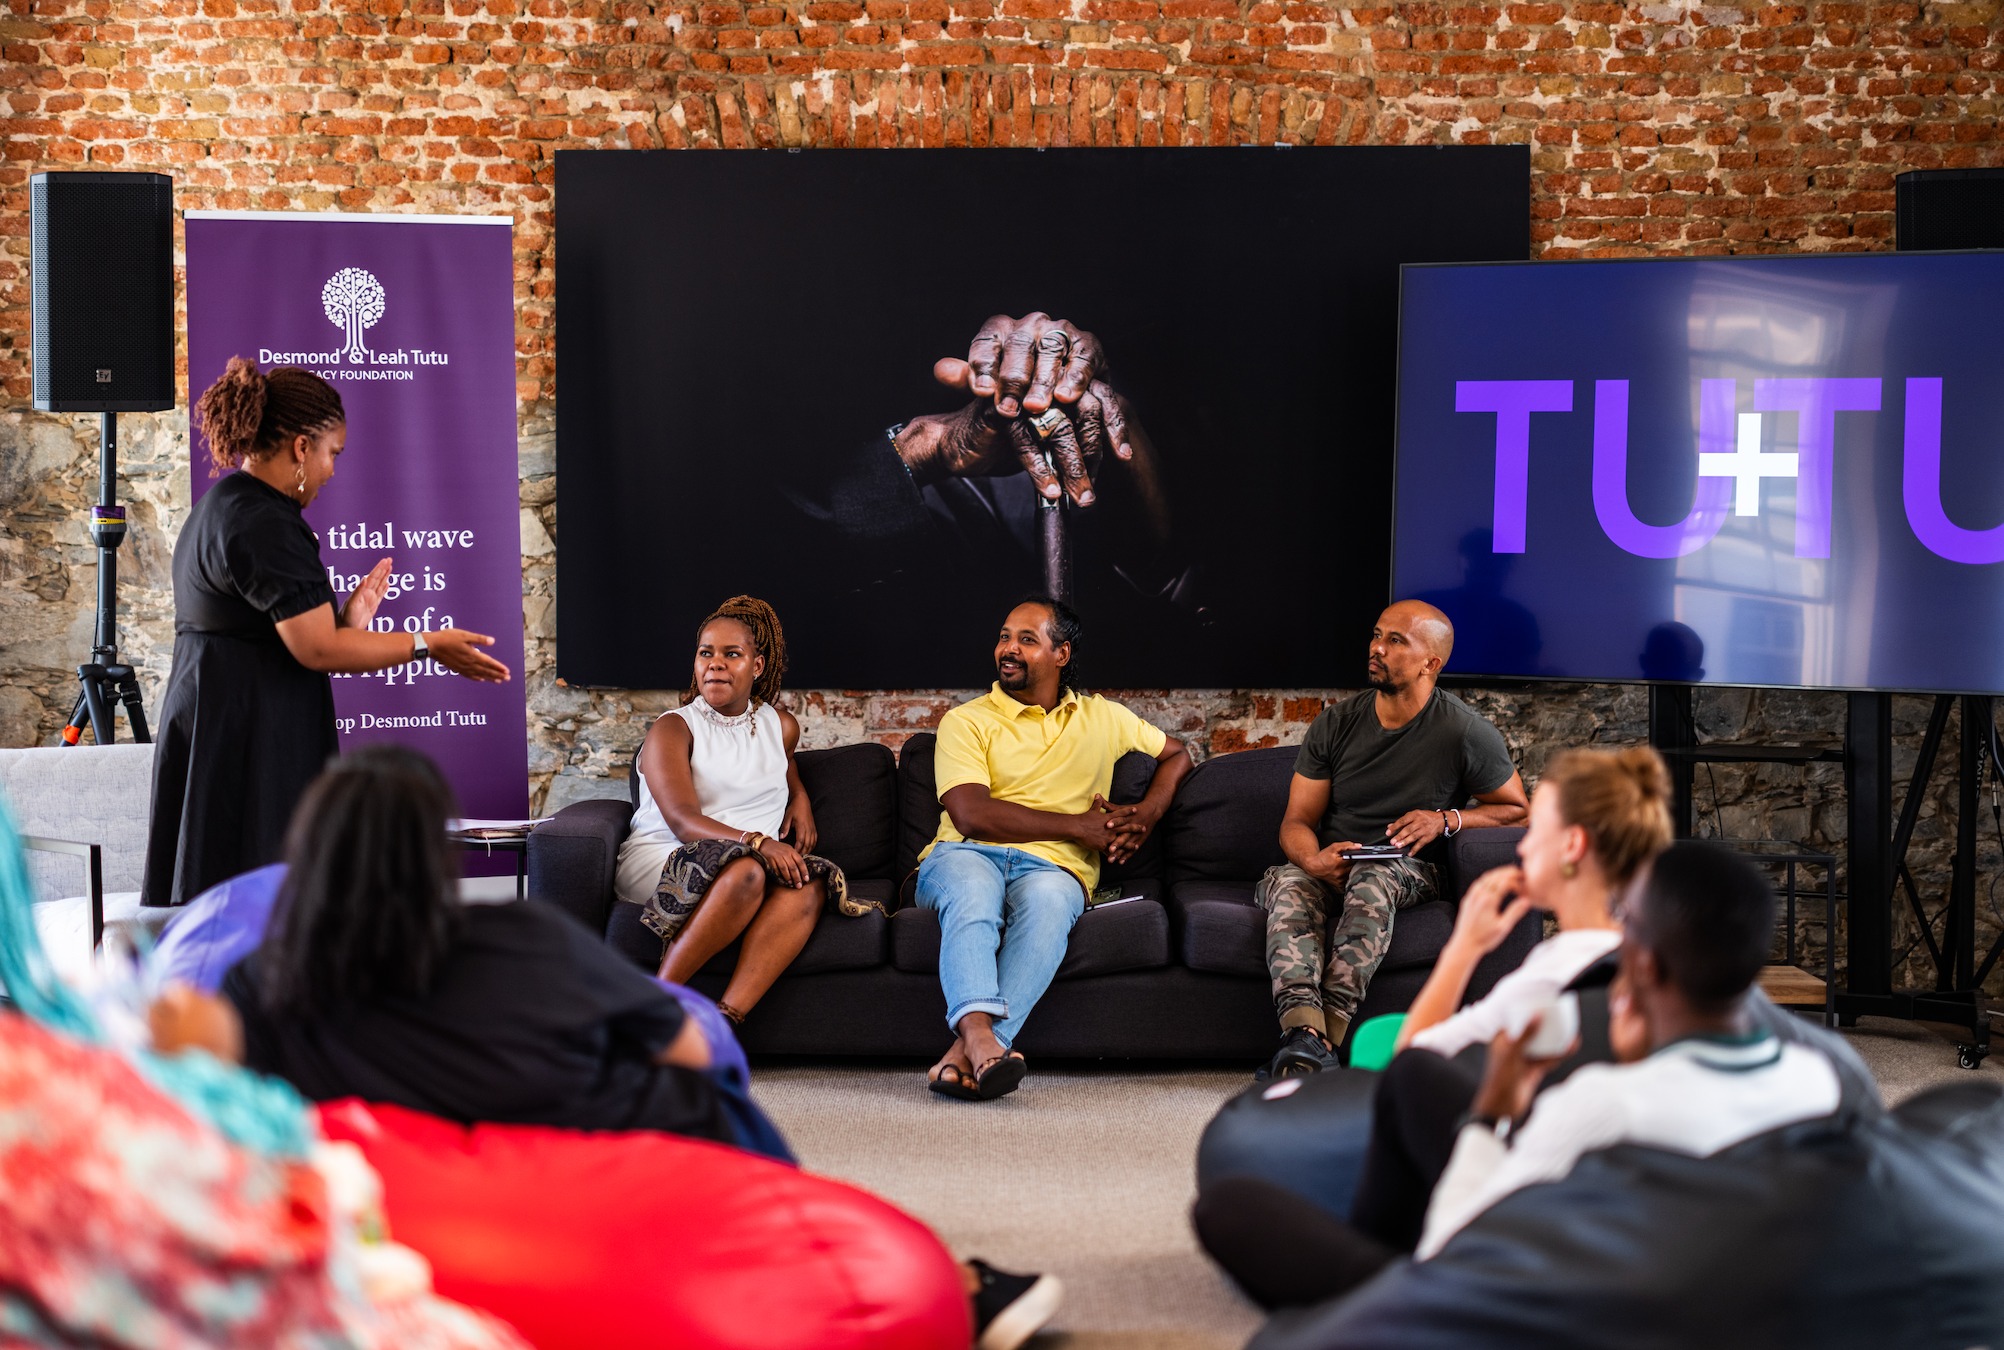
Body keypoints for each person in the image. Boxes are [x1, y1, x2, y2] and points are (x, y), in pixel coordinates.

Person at [149, 745, 731, 1142]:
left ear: (309, 850)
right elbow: (690, 1052)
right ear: (436, 852)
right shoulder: (526, 939)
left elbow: (193, 1085)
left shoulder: (263, 978)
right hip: (548, 1199)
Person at [143, 359, 510, 908]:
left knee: (236, 907)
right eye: (332, 453)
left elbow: (292, 636)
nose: (332, 470)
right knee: (261, 911)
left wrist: (347, 623)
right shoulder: (265, 522)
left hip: (225, 723)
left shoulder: (226, 504)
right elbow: (317, 649)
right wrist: (427, 643)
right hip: (248, 739)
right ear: (300, 447)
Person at [1415, 840, 1842, 1257]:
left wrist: (1489, 1115)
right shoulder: (1820, 1081)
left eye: (1624, 919)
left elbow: (1451, 1249)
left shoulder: (1601, 1104)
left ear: (1644, 962)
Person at [917, 594, 1193, 1101]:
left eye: (1027, 640)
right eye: (1004, 637)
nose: (1008, 649)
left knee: (1048, 906)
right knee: (974, 894)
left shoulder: (1104, 718)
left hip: (1053, 869)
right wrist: (1078, 827)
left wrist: (1148, 813)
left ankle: (964, 1055)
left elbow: (1178, 755)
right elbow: (971, 814)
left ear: (1061, 653)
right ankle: (981, 1040)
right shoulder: (967, 720)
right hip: (964, 853)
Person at [1257, 600, 1528, 1078]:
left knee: (1373, 876)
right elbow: (1296, 821)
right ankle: (1303, 1035)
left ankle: (1325, 1035)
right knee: (1291, 884)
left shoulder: (1464, 731)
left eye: (1395, 641)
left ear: (1430, 663)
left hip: (1406, 868)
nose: (1377, 648)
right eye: (1377, 635)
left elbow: (1518, 810)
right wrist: (1314, 861)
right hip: (1331, 863)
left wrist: (1445, 820)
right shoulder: (1336, 723)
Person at [611, 596, 877, 1025]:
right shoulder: (673, 728)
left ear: (757, 666)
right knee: (746, 872)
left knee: (807, 885)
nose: (715, 663)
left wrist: (799, 795)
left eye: (731, 654)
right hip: (668, 853)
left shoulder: (780, 725)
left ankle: (725, 1021)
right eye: (706, 653)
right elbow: (681, 819)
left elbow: (781, 762)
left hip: (749, 863)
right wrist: (759, 843)